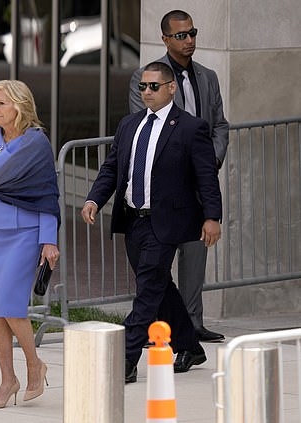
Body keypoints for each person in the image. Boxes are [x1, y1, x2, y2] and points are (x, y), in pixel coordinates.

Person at [82, 62, 222, 383]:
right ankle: (189, 345)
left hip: (167, 223)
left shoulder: (190, 127)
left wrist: (212, 217)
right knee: (159, 286)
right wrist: (93, 198)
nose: (146, 92)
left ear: (171, 88)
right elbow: (112, 167)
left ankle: (126, 359)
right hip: (134, 221)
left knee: (147, 290)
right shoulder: (129, 124)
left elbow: (206, 177)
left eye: (154, 86)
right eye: (143, 86)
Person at [129, 10, 229, 343]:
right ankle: (160, 327)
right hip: (164, 189)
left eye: (192, 33)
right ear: (165, 39)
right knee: (155, 263)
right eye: (181, 35)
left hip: (198, 186)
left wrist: (208, 161)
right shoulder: (146, 77)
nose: (189, 41)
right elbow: (143, 127)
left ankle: (193, 324)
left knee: (195, 254)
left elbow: (219, 126)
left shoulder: (208, 76)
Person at [0, 80, 60, 408]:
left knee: (11, 305)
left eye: (2, 104)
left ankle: (34, 364)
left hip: (25, 233)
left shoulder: (36, 143)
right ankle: (8, 379)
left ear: (19, 105)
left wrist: (49, 240)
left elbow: (47, 192)